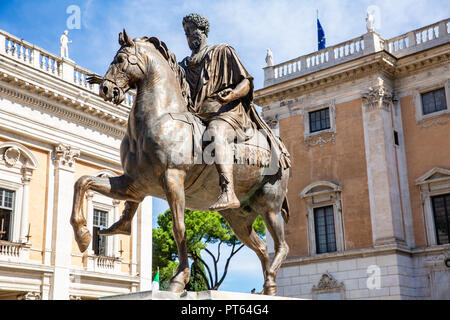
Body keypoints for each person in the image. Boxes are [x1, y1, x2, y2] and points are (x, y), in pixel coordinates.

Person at [179, 13, 290, 211]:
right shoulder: (184, 66)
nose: (188, 36)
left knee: (215, 132)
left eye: (191, 30)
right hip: (198, 115)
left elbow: (246, 82)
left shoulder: (223, 51)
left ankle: (228, 190)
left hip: (227, 113)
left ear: (203, 30)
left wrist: (231, 95)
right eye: (185, 32)